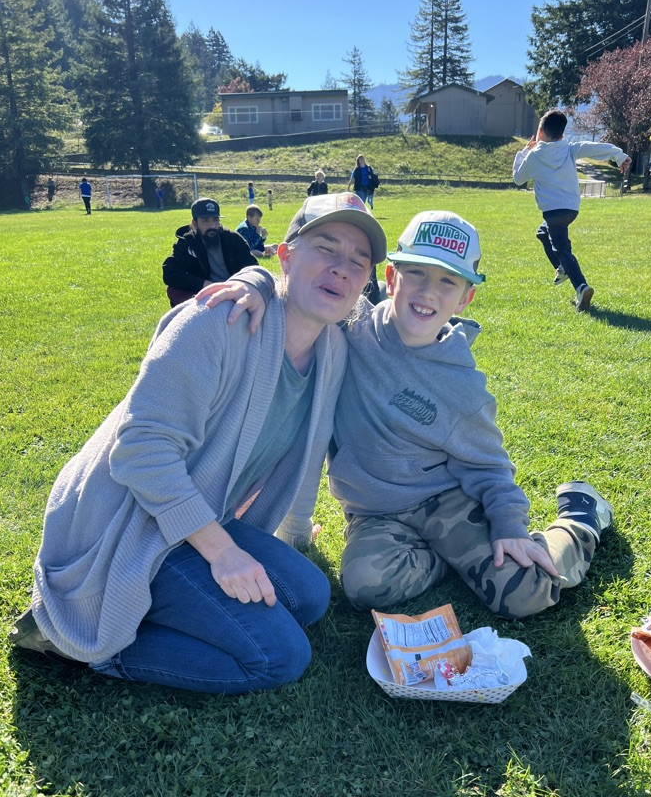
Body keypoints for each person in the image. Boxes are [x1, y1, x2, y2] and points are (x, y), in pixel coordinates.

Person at [8, 192, 388, 695]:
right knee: (279, 657)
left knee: (311, 597)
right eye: (326, 247)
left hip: (196, 513)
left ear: (366, 282)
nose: (342, 269)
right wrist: (224, 554)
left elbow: (312, 449)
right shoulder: (217, 322)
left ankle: (158, 605)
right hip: (125, 525)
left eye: (358, 261)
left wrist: (294, 534)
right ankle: (88, 643)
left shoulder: (332, 349)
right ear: (285, 255)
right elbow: (141, 452)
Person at [215, 210, 614, 620]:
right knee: (364, 584)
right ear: (390, 278)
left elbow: (491, 468)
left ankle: (580, 519)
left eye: (447, 282)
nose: (428, 292)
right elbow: (297, 293)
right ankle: (451, 559)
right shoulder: (350, 328)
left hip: (450, 503)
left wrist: (510, 527)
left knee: (525, 592)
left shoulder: (463, 387)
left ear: (465, 297)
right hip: (376, 513)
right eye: (417, 274)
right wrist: (255, 281)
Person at [513, 109, 631, 312]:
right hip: (571, 209)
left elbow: (518, 178)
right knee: (542, 234)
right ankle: (563, 269)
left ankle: (581, 287)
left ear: (540, 131)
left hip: (553, 211)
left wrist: (525, 151)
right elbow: (594, 148)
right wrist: (619, 156)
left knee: (561, 249)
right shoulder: (569, 148)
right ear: (562, 134)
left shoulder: (534, 156)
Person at [162, 197, 258, 307]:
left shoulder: (233, 240)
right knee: (174, 290)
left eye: (215, 220)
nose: (212, 226)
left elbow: (252, 268)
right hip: (204, 295)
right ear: (194, 223)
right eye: (206, 221)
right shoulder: (187, 243)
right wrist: (204, 284)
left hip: (233, 292)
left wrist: (236, 286)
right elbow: (169, 272)